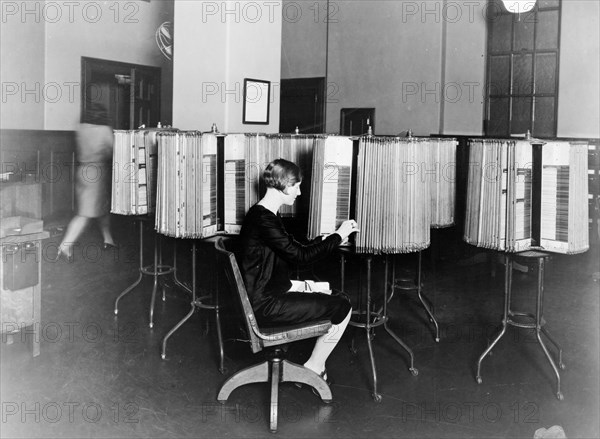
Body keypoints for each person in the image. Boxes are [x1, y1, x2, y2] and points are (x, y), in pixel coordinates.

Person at [238, 158, 359, 384]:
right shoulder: (266, 219)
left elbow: (291, 250)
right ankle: (314, 369)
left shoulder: (260, 214)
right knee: (343, 306)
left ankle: (313, 366)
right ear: (282, 185)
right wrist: (338, 236)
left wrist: (321, 241)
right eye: (296, 186)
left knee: (329, 292)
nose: (300, 192)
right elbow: (301, 258)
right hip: (265, 305)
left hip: (264, 292)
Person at [57, 103, 116, 261]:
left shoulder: (81, 128)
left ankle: (108, 239)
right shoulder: (105, 130)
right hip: (97, 172)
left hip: (82, 171)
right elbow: (112, 150)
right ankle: (65, 245)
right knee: (85, 213)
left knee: (102, 207)